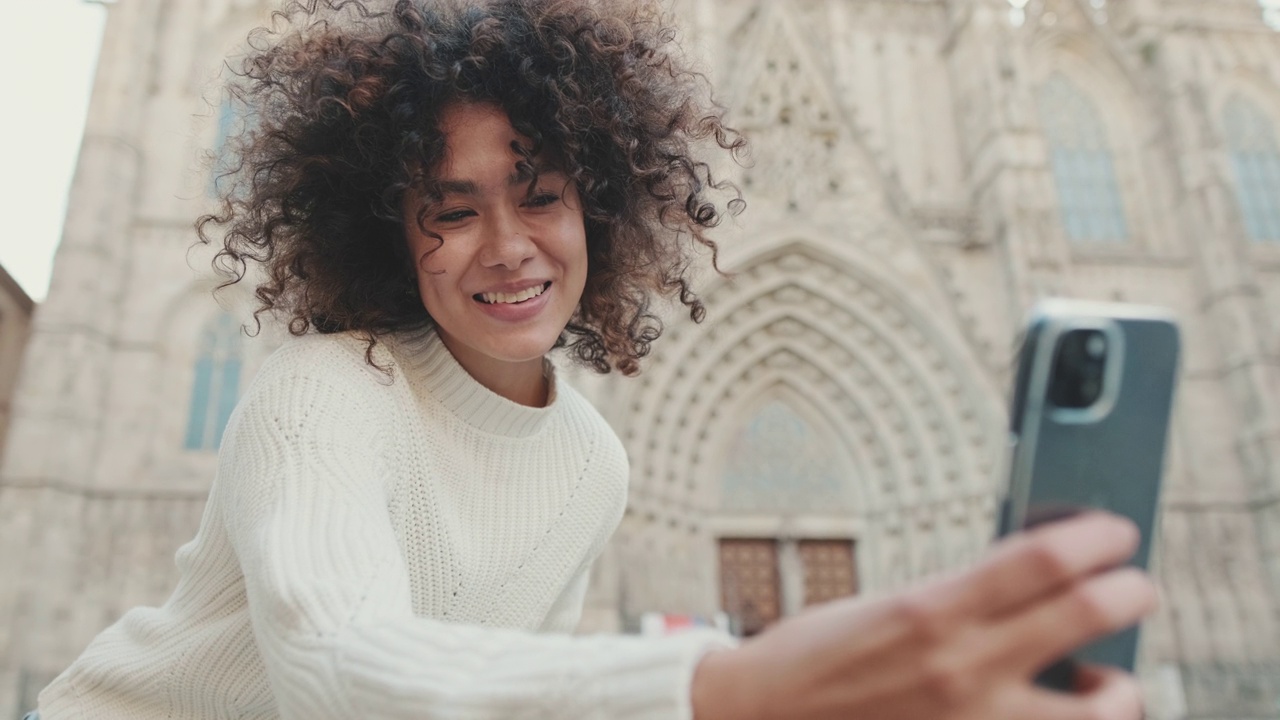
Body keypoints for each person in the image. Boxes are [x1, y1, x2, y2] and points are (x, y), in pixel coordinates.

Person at [32, 1, 1156, 719]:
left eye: (543, 197)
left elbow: (509, 688)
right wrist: (738, 685)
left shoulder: (594, 462)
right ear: (385, 226)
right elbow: (342, 674)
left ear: (603, 212)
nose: (509, 245)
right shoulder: (323, 392)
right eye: (451, 208)